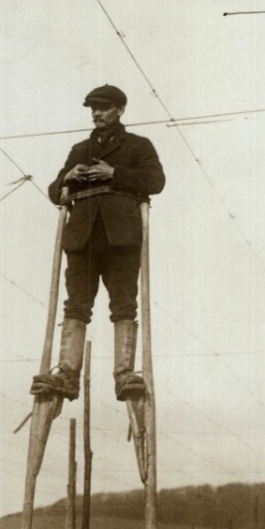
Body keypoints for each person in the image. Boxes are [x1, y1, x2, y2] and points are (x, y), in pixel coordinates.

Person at [31, 84, 165, 403]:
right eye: (93, 108)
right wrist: (66, 179)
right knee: (76, 305)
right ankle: (66, 373)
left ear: (120, 110)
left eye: (103, 108)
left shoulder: (138, 146)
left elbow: (155, 181)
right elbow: (54, 192)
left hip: (121, 238)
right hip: (83, 239)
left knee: (123, 304)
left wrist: (115, 173)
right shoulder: (80, 150)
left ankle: (123, 374)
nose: (97, 114)